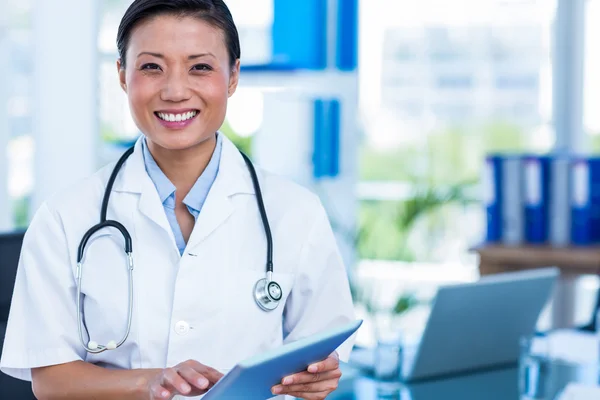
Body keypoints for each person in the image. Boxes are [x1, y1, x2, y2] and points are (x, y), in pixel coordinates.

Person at [0, 0, 356, 399]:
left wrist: (318, 376)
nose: (174, 91)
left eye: (200, 67)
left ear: (233, 76)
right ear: (122, 74)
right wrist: (149, 381)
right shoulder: (65, 218)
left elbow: (322, 354)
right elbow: (49, 382)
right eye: (152, 66)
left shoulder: (296, 213)